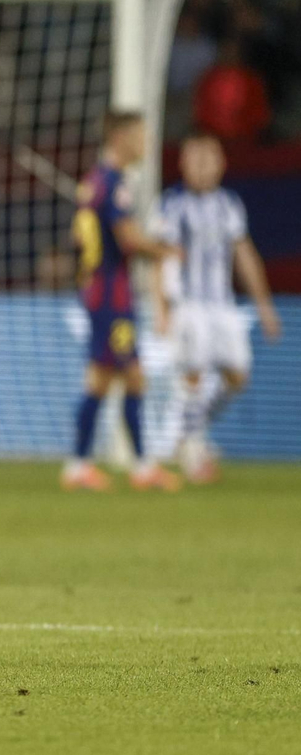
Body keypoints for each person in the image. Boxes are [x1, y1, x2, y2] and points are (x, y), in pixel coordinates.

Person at [151, 132, 282, 483]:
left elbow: (244, 255)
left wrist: (264, 306)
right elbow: (160, 259)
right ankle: (193, 450)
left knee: (238, 375)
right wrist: (161, 308)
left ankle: (187, 432)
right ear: (182, 164)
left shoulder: (229, 204)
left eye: (208, 159)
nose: (202, 167)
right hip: (188, 304)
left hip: (223, 304)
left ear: (222, 164)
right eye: (195, 159)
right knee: (193, 374)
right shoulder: (171, 204)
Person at [65, 110, 181, 492]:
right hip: (111, 295)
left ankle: (95, 465)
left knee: (112, 378)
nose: (145, 143)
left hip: (100, 291)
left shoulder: (93, 182)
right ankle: (123, 467)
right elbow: (128, 239)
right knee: (124, 375)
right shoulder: (114, 183)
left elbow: (78, 237)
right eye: (139, 135)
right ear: (119, 137)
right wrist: (166, 251)